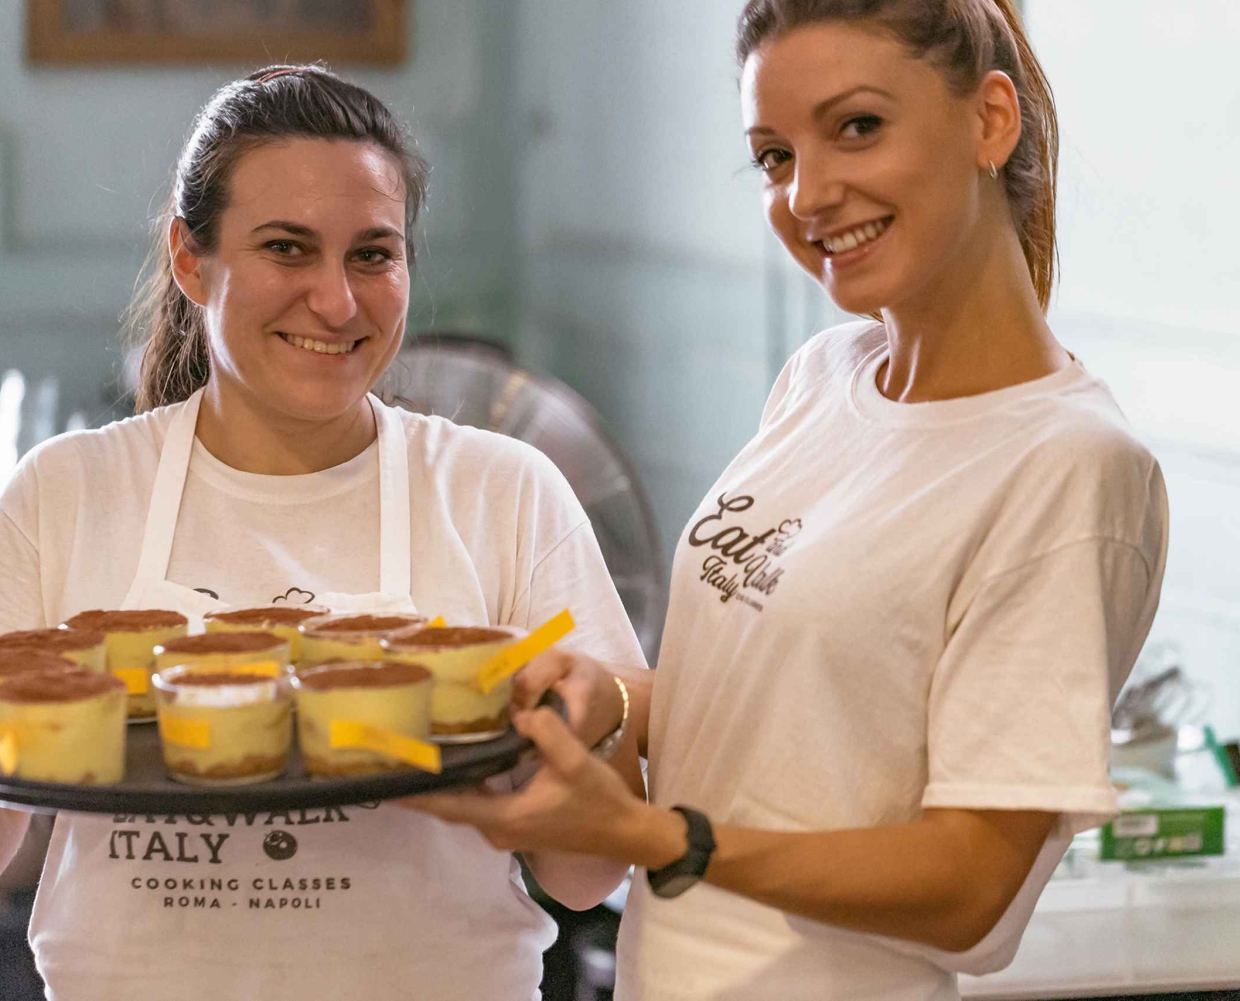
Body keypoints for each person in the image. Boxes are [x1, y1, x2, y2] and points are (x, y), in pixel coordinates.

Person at [409, 2, 1169, 998]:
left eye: (858, 126)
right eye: (773, 155)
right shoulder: (823, 377)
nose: (808, 192)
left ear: (990, 119)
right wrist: (610, 702)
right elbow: (758, 715)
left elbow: (972, 885)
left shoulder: (1069, 466)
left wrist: (656, 836)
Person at [0, 65, 644, 999]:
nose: (336, 301)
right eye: (288, 248)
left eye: (373, 254)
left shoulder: (502, 488)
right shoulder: (68, 491)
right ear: (190, 260)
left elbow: (585, 876)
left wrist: (578, 740)